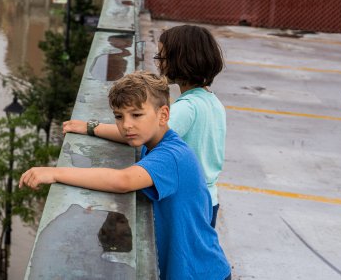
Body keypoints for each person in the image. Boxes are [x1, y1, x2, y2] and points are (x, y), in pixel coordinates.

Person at [20, 71, 231, 280]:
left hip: (202, 272)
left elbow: (124, 181)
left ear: (163, 115)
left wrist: (55, 173)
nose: (126, 125)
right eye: (119, 116)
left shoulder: (171, 157)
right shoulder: (156, 141)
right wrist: (89, 127)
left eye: (136, 115)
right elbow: (127, 135)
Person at [62, 24, 226, 227]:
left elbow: (140, 134)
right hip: (209, 198)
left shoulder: (188, 108)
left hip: (190, 203)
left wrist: (92, 128)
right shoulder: (211, 101)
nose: (158, 64)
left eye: (162, 58)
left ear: (181, 60)